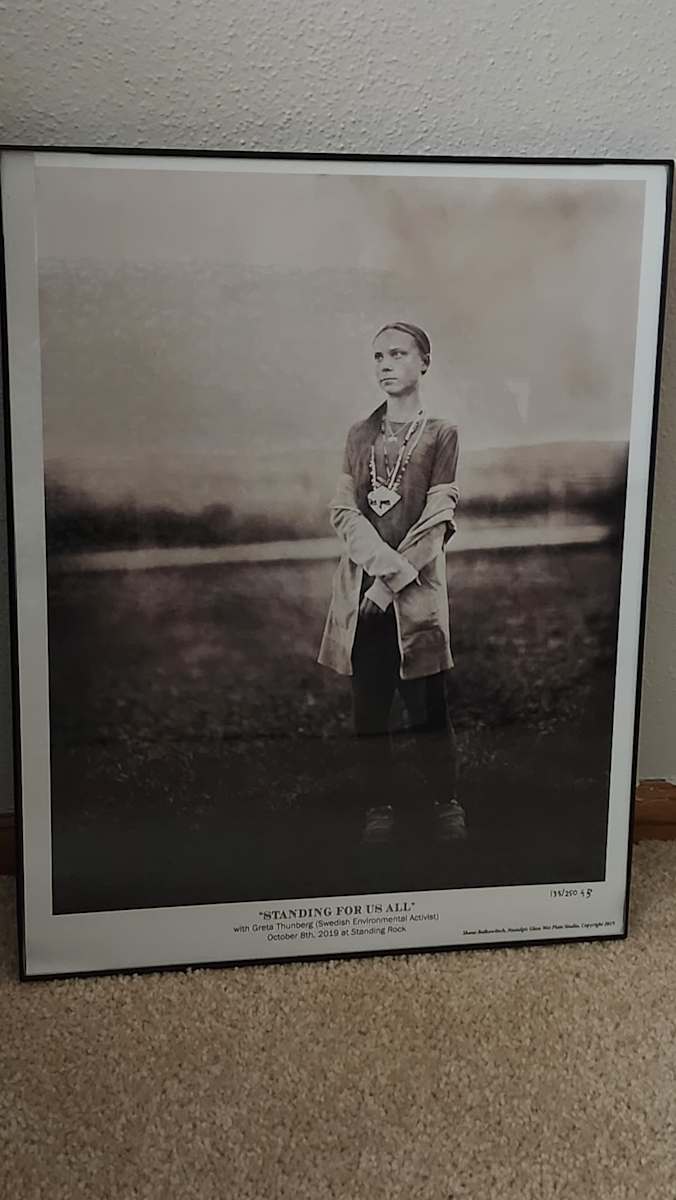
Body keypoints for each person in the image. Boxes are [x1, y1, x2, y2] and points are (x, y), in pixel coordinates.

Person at [318, 321, 466, 845]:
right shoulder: (360, 435)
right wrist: (375, 580)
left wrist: (390, 586)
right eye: (378, 356)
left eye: (398, 354)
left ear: (424, 361)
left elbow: (437, 522)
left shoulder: (442, 434)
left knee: (428, 706)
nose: (385, 364)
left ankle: (444, 801)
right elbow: (344, 512)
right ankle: (377, 806)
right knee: (370, 706)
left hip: (417, 598)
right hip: (361, 597)